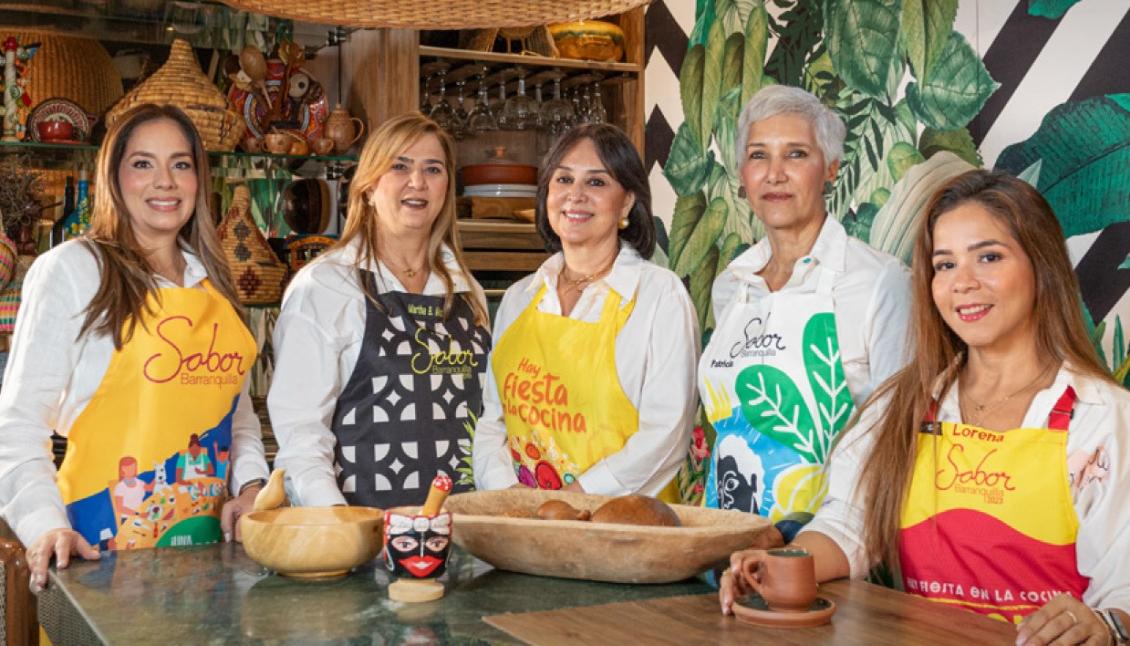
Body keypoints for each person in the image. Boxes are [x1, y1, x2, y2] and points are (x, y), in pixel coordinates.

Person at [720, 170, 1130, 644]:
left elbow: (1123, 587)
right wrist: (780, 566)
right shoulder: (902, 406)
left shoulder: (1103, 417)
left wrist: (1106, 623)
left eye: (989, 257)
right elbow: (849, 526)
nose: (963, 283)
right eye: (945, 265)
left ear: (1041, 267)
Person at [0, 104, 270, 591]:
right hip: (98, 556)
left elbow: (238, 416)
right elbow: (17, 425)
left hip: (214, 566)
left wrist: (253, 488)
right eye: (143, 163)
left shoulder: (215, 284)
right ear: (114, 177)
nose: (164, 181)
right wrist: (45, 524)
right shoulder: (74, 269)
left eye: (180, 164)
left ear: (198, 180)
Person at [699, 86, 910, 538]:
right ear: (742, 174)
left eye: (795, 154)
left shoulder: (877, 282)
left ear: (830, 168)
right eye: (759, 156)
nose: (775, 174)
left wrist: (804, 541)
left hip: (829, 551)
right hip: (720, 542)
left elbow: (897, 434)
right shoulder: (731, 286)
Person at [269, 113, 491, 509]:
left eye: (433, 169)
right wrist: (336, 523)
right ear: (368, 186)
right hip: (362, 531)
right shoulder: (325, 285)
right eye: (399, 166)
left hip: (466, 530)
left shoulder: (466, 290)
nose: (417, 182)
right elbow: (302, 434)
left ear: (446, 188)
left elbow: (489, 423)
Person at [473, 123, 697, 499]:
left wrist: (577, 500)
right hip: (529, 528)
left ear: (626, 202)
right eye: (563, 179)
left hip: (627, 534)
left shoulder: (660, 296)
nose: (574, 196)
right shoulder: (518, 299)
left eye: (596, 183)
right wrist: (510, 497)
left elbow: (666, 435)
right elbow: (493, 421)